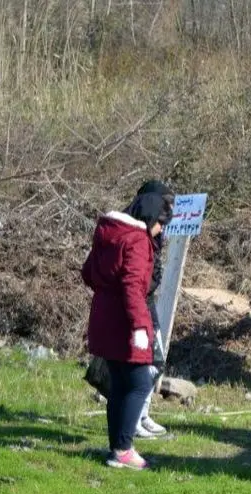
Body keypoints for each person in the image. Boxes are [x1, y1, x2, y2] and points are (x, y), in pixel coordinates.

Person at [81, 192, 173, 470]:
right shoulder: (137, 240)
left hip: (102, 317)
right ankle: (123, 449)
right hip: (126, 321)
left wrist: (107, 289)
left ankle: (117, 450)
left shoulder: (108, 233)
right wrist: (140, 327)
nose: (161, 230)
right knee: (139, 384)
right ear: (150, 219)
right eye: (160, 223)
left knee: (120, 385)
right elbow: (133, 288)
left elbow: (88, 273)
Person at [131, 180, 174, 440]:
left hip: (147, 302)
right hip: (138, 305)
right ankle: (133, 417)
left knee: (155, 362)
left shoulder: (152, 231)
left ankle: (142, 415)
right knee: (144, 364)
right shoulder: (135, 233)